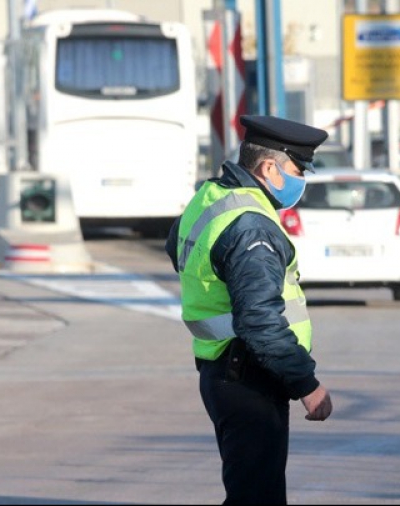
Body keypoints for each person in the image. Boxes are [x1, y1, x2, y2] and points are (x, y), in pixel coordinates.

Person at [165, 115, 333, 504]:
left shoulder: (212, 197)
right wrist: (306, 384)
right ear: (269, 168)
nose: (301, 181)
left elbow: (176, 247)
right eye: (297, 170)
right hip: (249, 378)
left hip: (221, 371)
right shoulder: (251, 226)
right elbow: (259, 320)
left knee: (251, 493)